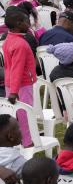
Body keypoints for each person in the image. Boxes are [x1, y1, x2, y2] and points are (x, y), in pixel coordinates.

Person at [2, 10, 39, 146]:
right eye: (26, 21)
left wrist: (11, 88)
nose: (28, 24)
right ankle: (27, 141)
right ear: (18, 24)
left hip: (10, 82)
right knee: (25, 114)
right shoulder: (21, 44)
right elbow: (17, 69)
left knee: (14, 113)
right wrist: (14, 91)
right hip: (22, 84)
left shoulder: (8, 40)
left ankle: (13, 140)